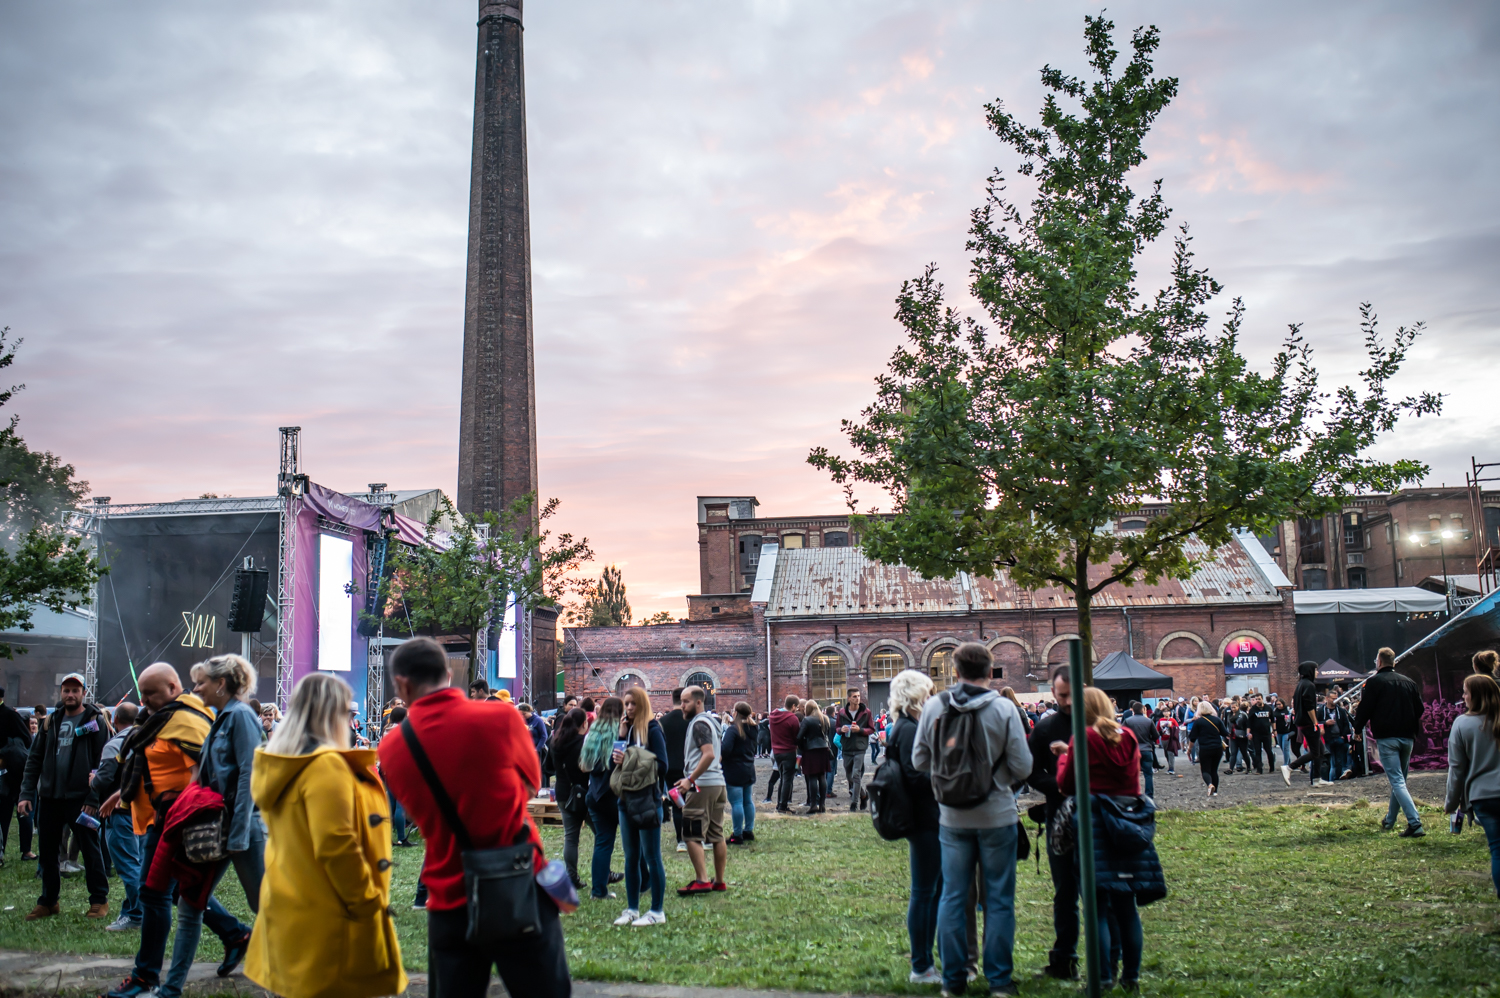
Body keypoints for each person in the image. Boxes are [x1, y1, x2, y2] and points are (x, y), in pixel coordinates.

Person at [378, 637, 569, 998]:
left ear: (401, 684)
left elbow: (418, 812)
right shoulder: (501, 716)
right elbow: (531, 784)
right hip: (518, 880)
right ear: (449, 675)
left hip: (450, 894)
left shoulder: (392, 747)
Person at [244, 673, 406, 998]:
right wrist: (368, 903)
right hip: (330, 918)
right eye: (348, 712)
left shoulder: (286, 763)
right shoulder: (325, 766)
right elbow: (336, 845)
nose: (351, 721)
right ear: (332, 714)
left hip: (291, 907)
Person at [103, 664, 253, 998]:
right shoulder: (159, 719)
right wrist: (123, 793)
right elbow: (155, 767)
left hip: (181, 819)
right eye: (142, 694)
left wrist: (195, 812)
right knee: (173, 892)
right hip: (162, 818)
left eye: (150, 693)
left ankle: (146, 977)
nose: (143, 700)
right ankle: (235, 934)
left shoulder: (188, 720)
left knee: (156, 893)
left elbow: (211, 772)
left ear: (172, 688)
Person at [913, 642, 1033, 998]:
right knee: (998, 899)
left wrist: (950, 777)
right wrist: (995, 780)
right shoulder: (1004, 708)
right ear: (989, 670)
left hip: (952, 817)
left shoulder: (935, 706)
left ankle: (954, 979)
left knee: (953, 896)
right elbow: (1023, 766)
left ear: (956, 670)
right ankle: (999, 981)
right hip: (997, 814)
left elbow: (920, 760)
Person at [153, 655, 269, 998]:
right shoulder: (221, 718)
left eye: (201, 682)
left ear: (221, 684)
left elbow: (250, 775)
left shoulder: (241, 716)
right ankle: (171, 989)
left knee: (265, 906)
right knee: (190, 903)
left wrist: (238, 834)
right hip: (214, 827)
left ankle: (299, 977)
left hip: (240, 828)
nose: (196, 688)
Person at [1056, 687, 1164, 992]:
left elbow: (1066, 785)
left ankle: (1102, 977)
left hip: (1095, 823)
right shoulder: (1126, 736)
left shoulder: (1083, 738)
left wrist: (1064, 758)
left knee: (1096, 909)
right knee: (1127, 908)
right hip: (1128, 822)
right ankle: (1131, 976)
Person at [18, 672, 111, 921]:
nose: (70, 695)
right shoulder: (50, 722)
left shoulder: (95, 720)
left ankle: (99, 900)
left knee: (90, 850)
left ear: (83, 693)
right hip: (50, 798)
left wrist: (93, 799)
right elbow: (34, 759)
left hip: (81, 800)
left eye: (75, 690)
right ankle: (49, 901)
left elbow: (103, 763)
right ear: (61, 692)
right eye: (66, 690)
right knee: (48, 852)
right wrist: (26, 793)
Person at [888, 669, 942, 985]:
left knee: (931, 891)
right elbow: (915, 776)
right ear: (915, 695)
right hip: (924, 818)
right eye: (928, 692)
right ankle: (921, 966)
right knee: (924, 893)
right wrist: (947, 776)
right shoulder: (908, 729)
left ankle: (926, 962)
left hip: (925, 817)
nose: (932, 697)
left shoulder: (906, 726)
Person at [1027, 665, 1079, 981]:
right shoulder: (1046, 728)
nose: (1068, 701)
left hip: (1097, 816)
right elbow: (1031, 772)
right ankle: (1064, 960)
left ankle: (1106, 965)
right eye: (1062, 696)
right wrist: (1058, 786)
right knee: (1065, 893)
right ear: (1053, 693)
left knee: (1100, 893)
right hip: (1059, 818)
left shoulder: (1097, 723)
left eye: (1072, 695)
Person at [1353, 646, 1426, 836]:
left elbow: (1365, 709)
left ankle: (1415, 823)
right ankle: (1389, 820)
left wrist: (1357, 729)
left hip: (1387, 737)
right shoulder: (1409, 682)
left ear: (1378, 661)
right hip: (1408, 736)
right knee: (1399, 780)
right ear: (1394, 662)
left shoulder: (1373, 682)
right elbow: (1420, 709)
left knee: (1397, 781)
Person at [615, 686, 670, 924]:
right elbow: (616, 763)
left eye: (633, 704)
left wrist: (631, 759)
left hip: (647, 799)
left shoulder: (653, 729)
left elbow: (663, 765)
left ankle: (657, 911)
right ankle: (632, 908)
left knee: (651, 857)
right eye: (626, 704)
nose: (629, 708)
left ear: (642, 705)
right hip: (625, 799)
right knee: (631, 857)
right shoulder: (626, 731)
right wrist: (620, 738)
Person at [1446, 673, 1500, 896]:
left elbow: (1456, 769)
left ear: (1475, 696)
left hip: (1483, 797)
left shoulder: (1462, 724)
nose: (1463, 697)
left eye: (1466, 692)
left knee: (1497, 848)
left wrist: (1451, 803)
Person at [91, 703, 141, 931]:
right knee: (138, 862)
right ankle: (133, 910)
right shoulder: (146, 740)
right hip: (142, 811)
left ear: (115, 720)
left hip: (118, 812)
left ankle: (137, 914)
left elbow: (103, 780)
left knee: (128, 866)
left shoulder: (114, 744)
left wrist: (93, 779)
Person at [676, 684, 728, 896]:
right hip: (718, 783)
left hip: (702, 786)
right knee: (717, 834)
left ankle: (702, 880)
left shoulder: (699, 724)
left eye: (686, 702)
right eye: (681, 701)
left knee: (691, 833)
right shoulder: (714, 723)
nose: (682, 706)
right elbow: (718, 755)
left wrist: (690, 779)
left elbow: (709, 754)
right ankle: (719, 881)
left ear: (698, 702)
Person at [580, 696, 626, 901]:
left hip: (595, 794)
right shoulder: (621, 732)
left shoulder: (592, 733)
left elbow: (585, 766)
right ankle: (644, 882)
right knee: (634, 841)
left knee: (602, 843)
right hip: (617, 794)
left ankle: (598, 891)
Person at [549, 706, 590, 889]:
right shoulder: (583, 743)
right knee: (601, 834)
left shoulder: (555, 741)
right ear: (584, 724)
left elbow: (548, 767)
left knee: (570, 837)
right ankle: (603, 872)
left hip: (563, 792)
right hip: (582, 793)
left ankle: (571, 876)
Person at [1282, 662, 1330, 788]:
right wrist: (1315, 722)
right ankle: (1289, 767)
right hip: (1308, 723)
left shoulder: (1301, 684)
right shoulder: (1309, 685)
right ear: (1310, 671)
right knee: (1315, 752)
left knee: (1320, 750)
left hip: (1302, 722)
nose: (1317, 672)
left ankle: (1317, 779)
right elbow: (1309, 706)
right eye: (1316, 669)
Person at [0, 690, 33, 866]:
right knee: (4, 815)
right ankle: (2, 851)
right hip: (7, 772)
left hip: (14, 771)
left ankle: (26, 850)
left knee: (23, 812)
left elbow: (27, 739)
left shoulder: (9, 715)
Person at [721, 701, 758, 844]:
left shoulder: (733, 730)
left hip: (734, 769)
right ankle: (748, 830)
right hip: (748, 768)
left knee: (736, 802)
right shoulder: (753, 728)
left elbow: (725, 750)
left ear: (735, 712)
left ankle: (737, 834)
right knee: (747, 801)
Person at [659, 688, 689, 853]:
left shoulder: (663, 721)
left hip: (670, 769)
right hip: (690, 769)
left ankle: (681, 840)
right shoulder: (691, 720)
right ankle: (695, 836)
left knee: (678, 805)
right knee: (693, 804)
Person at [833, 689, 874, 811]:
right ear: (849, 698)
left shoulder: (866, 712)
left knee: (856, 775)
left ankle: (854, 803)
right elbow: (837, 728)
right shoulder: (842, 712)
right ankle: (864, 795)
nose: (857, 698)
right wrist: (841, 730)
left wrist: (860, 730)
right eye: (854, 696)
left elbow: (871, 729)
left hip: (860, 747)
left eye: (858, 696)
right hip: (846, 747)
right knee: (849, 776)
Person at [796, 699, 833, 814]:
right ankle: (822, 805)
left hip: (810, 750)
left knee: (812, 777)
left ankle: (813, 805)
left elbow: (799, 737)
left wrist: (802, 747)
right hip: (823, 749)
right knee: (822, 776)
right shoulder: (825, 719)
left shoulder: (807, 720)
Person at [766, 695, 802, 813]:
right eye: (797, 707)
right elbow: (797, 736)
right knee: (787, 779)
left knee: (782, 777)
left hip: (776, 751)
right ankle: (783, 806)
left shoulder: (773, 716)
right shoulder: (792, 718)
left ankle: (779, 804)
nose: (797, 709)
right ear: (793, 706)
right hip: (789, 751)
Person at [1188, 701, 1227, 797]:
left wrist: (1189, 749)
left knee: (1205, 770)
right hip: (1217, 748)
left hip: (1205, 748)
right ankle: (1215, 791)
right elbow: (1225, 733)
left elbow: (1192, 738)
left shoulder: (1198, 722)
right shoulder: (1217, 720)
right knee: (1214, 770)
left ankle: (1210, 784)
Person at [1121, 702, 1156, 798]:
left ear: (1133, 710)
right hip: (1146, 749)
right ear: (1142, 710)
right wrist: (1149, 740)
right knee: (1148, 774)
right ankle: (1149, 795)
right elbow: (1156, 735)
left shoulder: (1128, 721)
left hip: (1133, 750)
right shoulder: (1149, 721)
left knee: (1131, 773)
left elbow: (1121, 734)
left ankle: (1133, 794)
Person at [1318, 689, 1353, 782]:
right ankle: (1328, 779)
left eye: (1336, 698)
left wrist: (1343, 735)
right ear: (1327, 698)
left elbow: (1346, 724)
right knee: (1328, 760)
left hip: (1338, 737)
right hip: (1327, 738)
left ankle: (1336, 779)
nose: (1335, 700)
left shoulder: (1340, 711)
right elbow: (1316, 722)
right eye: (1332, 698)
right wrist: (1325, 723)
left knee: (1339, 761)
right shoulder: (1321, 711)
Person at [1246, 693, 1276, 775]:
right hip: (1256, 734)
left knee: (1269, 751)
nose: (1257, 701)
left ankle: (1272, 768)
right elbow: (1249, 722)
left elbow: (1273, 720)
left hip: (1266, 733)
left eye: (1259, 699)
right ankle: (1259, 769)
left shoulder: (1268, 708)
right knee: (1257, 751)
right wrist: (1248, 733)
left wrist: (1274, 730)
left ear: (1262, 699)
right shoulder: (1253, 709)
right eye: (1256, 699)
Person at [1155, 706, 1181, 778]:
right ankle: (1169, 765)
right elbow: (1157, 730)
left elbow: (1177, 728)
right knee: (1166, 753)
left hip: (1171, 739)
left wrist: (1171, 726)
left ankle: (1171, 768)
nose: (1166, 713)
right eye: (1164, 711)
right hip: (1164, 739)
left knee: (1170, 753)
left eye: (1167, 711)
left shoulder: (1173, 720)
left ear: (1170, 712)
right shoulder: (1161, 720)